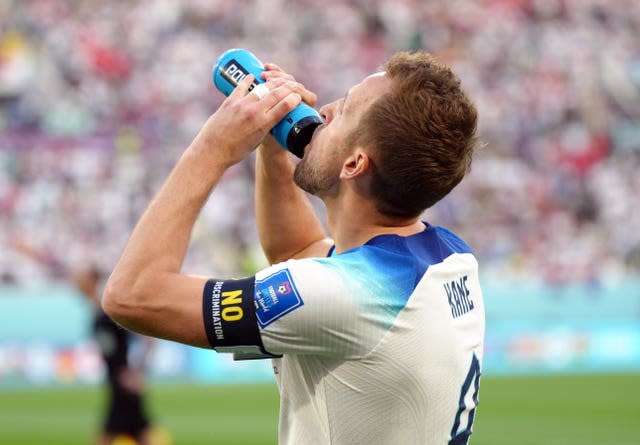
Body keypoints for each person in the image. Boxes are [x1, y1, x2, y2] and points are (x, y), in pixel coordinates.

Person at [103, 50, 485, 444]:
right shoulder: (450, 257)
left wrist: (211, 148)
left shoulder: (350, 297)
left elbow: (132, 295)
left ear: (354, 164)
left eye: (346, 108)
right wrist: (274, 144)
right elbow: (299, 251)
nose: (328, 110)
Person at [75, 266, 155, 445]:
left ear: (92, 281)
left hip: (123, 385)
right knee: (140, 435)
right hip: (115, 383)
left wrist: (137, 371)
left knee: (108, 436)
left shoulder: (109, 309)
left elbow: (148, 339)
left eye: (80, 276)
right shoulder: (96, 309)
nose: (75, 281)